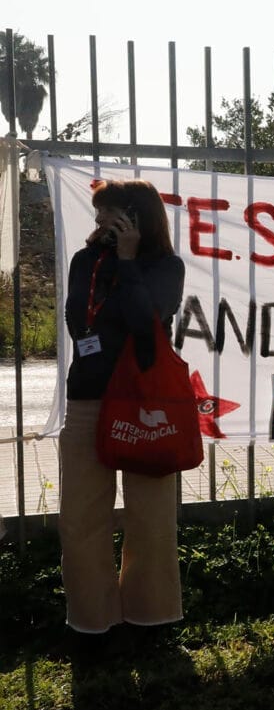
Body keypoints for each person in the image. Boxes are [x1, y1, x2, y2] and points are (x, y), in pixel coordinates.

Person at [59, 179, 186, 637]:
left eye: (107, 213)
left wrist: (129, 262)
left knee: (150, 517)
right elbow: (77, 320)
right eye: (97, 214)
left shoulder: (166, 265)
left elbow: (146, 322)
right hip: (88, 399)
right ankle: (92, 622)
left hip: (144, 404)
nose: (98, 222)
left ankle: (151, 618)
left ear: (135, 217)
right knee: (80, 517)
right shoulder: (85, 261)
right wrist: (104, 260)